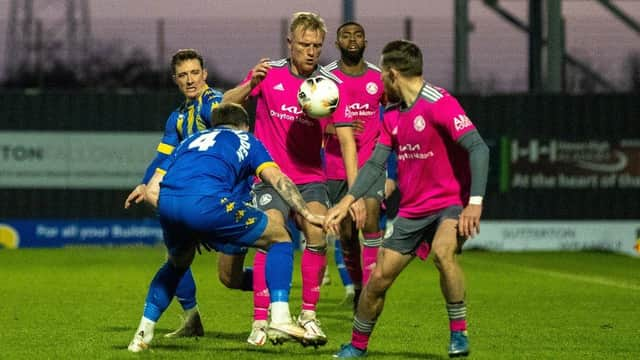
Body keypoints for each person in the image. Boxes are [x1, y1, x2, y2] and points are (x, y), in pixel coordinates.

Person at [325, 40, 490, 358]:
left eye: (383, 76)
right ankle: (357, 346)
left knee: (444, 254)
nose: (380, 84)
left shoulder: (439, 102)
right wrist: (347, 202)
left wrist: (475, 202)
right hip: (413, 211)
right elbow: (374, 165)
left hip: (450, 204)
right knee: (378, 280)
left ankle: (459, 334)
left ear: (392, 73)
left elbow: (478, 148)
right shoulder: (391, 116)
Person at [127, 103, 324, 352]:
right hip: (209, 203)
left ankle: (141, 336)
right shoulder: (247, 140)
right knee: (280, 237)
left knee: (176, 265)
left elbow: (151, 189)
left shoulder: (190, 140)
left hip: (168, 204)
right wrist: (305, 212)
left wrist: (190, 222)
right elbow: (278, 179)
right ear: (246, 125)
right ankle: (281, 319)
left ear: (214, 124)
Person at [222, 11, 364, 347]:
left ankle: (309, 316)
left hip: (310, 178)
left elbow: (346, 142)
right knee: (271, 232)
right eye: (304, 44)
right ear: (290, 43)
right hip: (268, 177)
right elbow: (225, 106)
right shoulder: (268, 73)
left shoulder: (331, 86)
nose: (311, 51)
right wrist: (251, 84)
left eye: (317, 45)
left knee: (317, 232)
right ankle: (261, 320)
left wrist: (354, 195)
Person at [124, 49, 252, 339]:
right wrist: (145, 186)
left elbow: (228, 116)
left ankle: (276, 292)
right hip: (197, 199)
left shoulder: (212, 104)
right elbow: (161, 158)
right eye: (183, 75)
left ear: (204, 74)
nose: (190, 80)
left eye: (195, 73)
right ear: (175, 80)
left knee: (230, 278)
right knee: (176, 255)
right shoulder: (178, 118)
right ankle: (192, 318)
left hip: (230, 197)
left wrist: (248, 86)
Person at [322, 21, 386, 309]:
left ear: (365, 41)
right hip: (335, 166)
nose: (352, 39)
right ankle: (358, 286)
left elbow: (394, 110)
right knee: (347, 234)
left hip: (370, 163)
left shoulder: (378, 77)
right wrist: (338, 129)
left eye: (358, 35)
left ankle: (370, 291)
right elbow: (313, 120)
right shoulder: (326, 78)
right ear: (337, 43)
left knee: (370, 219)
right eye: (345, 35)